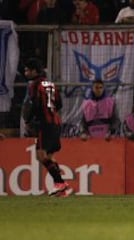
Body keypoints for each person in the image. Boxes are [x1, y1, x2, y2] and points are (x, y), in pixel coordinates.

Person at [21, 58, 70, 197]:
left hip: (45, 124)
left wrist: (29, 120)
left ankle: (60, 183)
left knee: (41, 156)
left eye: (27, 70)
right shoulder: (51, 84)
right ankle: (61, 189)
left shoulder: (34, 85)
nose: (25, 73)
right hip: (56, 122)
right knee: (49, 156)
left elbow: (34, 104)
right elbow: (59, 104)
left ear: (34, 71)